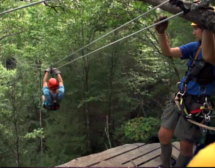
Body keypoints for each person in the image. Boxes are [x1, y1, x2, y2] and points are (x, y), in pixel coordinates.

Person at [154, 16, 215, 167]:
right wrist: (161, 33)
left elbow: (209, 56)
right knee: (163, 135)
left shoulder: (210, 52)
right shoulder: (195, 47)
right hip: (181, 97)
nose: (194, 32)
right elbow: (168, 51)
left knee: (186, 147)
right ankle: (165, 165)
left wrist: (208, 25)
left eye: (196, 28)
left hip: (198, 104)